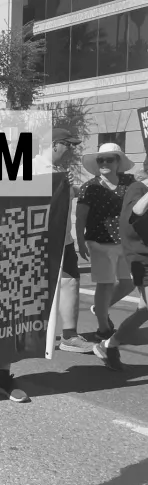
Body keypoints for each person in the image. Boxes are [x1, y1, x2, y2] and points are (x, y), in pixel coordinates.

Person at [32, 128, 92, 353]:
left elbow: (64, 197)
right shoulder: (31, 168)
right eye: (69, 144)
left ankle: (69, 335)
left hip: (64, 239)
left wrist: (75, 188)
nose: (71, 149)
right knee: (35, 289)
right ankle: (31, 335)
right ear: (55, 144)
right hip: (39, 240)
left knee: (71, 281)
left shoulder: (59, 170)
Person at [76, 143, 137, 339]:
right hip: (99, 243)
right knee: (105, 284)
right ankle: (103, 329)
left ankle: (100, 308)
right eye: (100, 159)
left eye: (109, 159)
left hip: (125, 242)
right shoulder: (90, 187)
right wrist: (80, 240)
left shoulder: (129, 182)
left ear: (118, 161)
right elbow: (81, 217)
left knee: (129, 283)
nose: (104, 163)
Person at [94, 156, 148, 371]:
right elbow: (137, 212)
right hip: (141, 258)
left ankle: (109, 345)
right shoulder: (138, 187)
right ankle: (108, 344)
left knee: (144, 310)